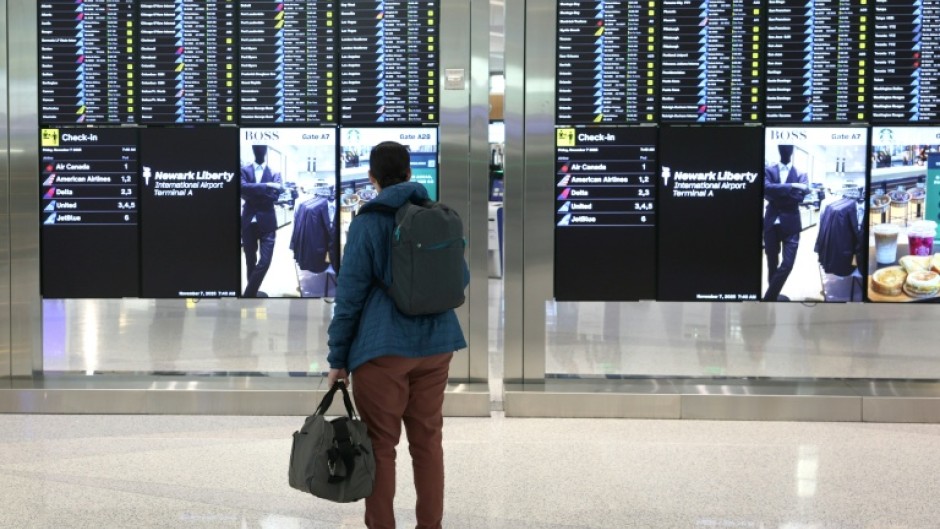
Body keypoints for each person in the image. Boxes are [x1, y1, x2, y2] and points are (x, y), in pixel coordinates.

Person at [327, 141, 468, 529]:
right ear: (410, 174)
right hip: (438, 347)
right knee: (427, 443)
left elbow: (350, 294)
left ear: (373, 179)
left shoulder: (369, 221)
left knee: (380, 447)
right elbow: (463, 278)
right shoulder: (438, 215)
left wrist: (337, 357)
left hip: (382, 351)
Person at [763, 144, 810, 301]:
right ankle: (773, 297)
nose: (785, 150)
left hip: (791, 224)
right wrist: (792, 186)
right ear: (779, 150)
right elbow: (765, 189)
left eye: (788, 147)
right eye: (782, 147)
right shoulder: (769, 170)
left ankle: (769, 296)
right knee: (771, 261)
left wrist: (776, 193)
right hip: (771, 223)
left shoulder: (801, 173)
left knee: (788, 264)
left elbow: (800, 197)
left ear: (792, 150)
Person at [240, 145, 283, 297]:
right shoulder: (244, 170)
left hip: (268, 222)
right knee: (249, 259)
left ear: (265, 151)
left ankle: (248, 294)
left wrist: (252, 192)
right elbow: (241, 188)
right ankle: (252, 293)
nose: (259, 150)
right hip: (248, 222)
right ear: (253, 151)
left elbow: (276, 196)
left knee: (265, 261)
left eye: (262, 148)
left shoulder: (275, 172)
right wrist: (268, 186)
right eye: (256, 148)